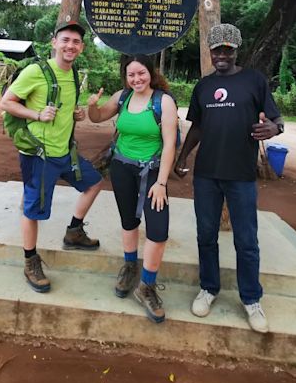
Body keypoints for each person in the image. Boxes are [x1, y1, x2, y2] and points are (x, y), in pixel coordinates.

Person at [174, 24, 284, 333]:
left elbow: (277, 119)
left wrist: (275, 129)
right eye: (217, 50)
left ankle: (251, 299)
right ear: (210, 52)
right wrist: (183, 158)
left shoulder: (254, 81)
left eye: (228, 49)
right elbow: (197, 127)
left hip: (241, 176)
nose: (222, 55)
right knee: (205, 236)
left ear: (236, 51)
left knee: (246, 241)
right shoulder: (204, 87)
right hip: (207, 175)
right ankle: (209, 289)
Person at [0, 21, 103, 293]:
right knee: (33, 209)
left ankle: (74, 231)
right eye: (65, 40)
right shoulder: (35, 71)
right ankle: (30, 260)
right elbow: (6, 102)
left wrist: (77, 114)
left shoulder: (73, 73)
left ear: (81, 48)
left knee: (94, 183)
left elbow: (65, 108)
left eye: (76, 42)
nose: (70, 45)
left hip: (65, 151)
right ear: (54, 43)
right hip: (39, 154)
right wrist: (36, 115)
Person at [87, 54, 178, 323]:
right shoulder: (122, 97)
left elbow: (170, 144)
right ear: (125, 77)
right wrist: (92, 106)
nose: (136, 79)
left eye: (141, 73)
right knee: (129, 221)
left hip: (152, 171)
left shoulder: (163, 102)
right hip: (122, 168)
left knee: (158, 230)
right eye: (131, 75)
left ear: (150, 73)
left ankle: (146, 285)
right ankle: (129, 266)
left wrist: (162, 183)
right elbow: (98, 117)